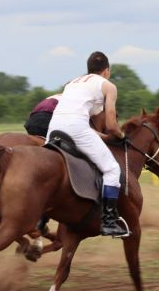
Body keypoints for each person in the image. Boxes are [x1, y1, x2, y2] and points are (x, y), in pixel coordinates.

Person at [46, 51, 128, 237]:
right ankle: (108, 221)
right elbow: (111, 124)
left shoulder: (72, 83)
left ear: (89, 69)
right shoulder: (109, 86)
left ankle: (43, 217)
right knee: (112, 169)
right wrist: (120, 136)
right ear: (106, 71)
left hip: (53, 128)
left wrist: (103, 137)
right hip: (76, 128)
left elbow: (84, 125)